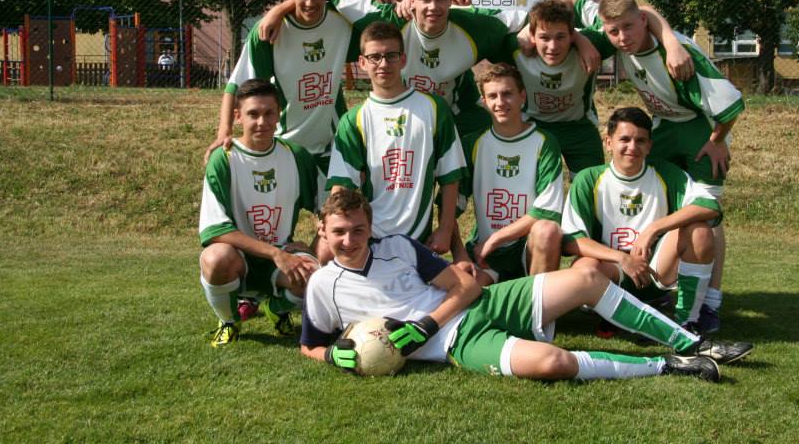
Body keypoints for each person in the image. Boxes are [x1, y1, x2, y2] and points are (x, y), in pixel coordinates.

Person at [300, 189, 754, 381]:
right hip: (459, 343)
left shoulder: (398, 246)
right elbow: (310, 345)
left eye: (358, 230)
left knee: (588, 277)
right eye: (339, 232)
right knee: (554, 363)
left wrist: (424, 324)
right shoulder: (323, 286)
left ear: (370, 226)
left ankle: (695, 343)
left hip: (486, 303)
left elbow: (465, 288)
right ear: (322, 231)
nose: (349, 240)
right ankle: (668, 365)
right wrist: (333, 356)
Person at [561, 0, 745, 334]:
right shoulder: (617, 28)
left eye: (628, 28)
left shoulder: (678, 54)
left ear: (643, 21)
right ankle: (654, 288)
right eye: (613, 31)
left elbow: (731, 104)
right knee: (652, 191)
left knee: (704, 215)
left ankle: (708, 303)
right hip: (663, 125)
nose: (621, 37)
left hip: (700, 127)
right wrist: (579, 39)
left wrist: (718, 140)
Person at [204, 0, 400, 211]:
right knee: (275, 221)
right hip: (285, 145)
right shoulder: (268, 32)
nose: (310, 3)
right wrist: (224, 132)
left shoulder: (342, 21)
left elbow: (385, 21)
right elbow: (237, 85)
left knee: (340, 219)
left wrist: (284, 6)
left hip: (331, 145)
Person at [257, 0, 529, 138]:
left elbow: (532, 19)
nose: (432, 7)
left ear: (450, 0)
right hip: (401, 120)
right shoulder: (389, 20)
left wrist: (528, 33)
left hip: (454, 118)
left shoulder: (475, 24)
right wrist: (279, 9)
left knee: (478, 160)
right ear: (412, 0)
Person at [562, 107, 723, 335]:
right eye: (624, 139)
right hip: (613, 271)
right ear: (608, 143)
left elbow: (710, 206)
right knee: (583, 267)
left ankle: (687, 322)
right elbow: (572, 241)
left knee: (700, 231)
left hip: (654, 272)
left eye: (640, 141)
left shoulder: (666, 173)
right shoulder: (589, 179)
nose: (632, 147)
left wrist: (654, 229)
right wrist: (623, 258)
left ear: (649, 146)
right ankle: (614, 315)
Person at [326, 22, 469, 264]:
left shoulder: (434, 108)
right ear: (362, 63)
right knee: (323, 253)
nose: (383, 64)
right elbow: (341, 186)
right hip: (371, 239)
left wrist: (445, 229)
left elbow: (450, 176)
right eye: (375, 57)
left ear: (403, 59)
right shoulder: (354, 119)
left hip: (420, 241)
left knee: (456, 286)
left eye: (391, 56)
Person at [198, 79, 320, 347]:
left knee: (314, 275)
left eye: (269, 113)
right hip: (239, 257)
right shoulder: (224, 159)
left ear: (279, 115)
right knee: (215, 258)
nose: (262, 122)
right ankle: (229, 321)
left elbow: (327, 209)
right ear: (238, 116)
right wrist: (276, 253)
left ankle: (275, 309)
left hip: (280, 254)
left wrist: (311, 246)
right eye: (253, 114)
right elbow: (215, 230)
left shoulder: (296, 156)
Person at [459, 63, 564, 286]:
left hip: (527, 247)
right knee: (464, 294)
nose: (500, 102)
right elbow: (452, 204)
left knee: (548, 230)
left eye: (507, 94)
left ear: (522, 96)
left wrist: (497, 238)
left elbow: (547, 211)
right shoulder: (473, 143)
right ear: (484, 101)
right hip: (486, 252)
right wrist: (459, 253)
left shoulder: (545, 142)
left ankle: (538, 306)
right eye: (492, 96)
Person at [494, 0, 607, 176]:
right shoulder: (515, 46)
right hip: (533, 126)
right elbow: (482, 25)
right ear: (531, 36)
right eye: (544, 37)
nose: (552, 47)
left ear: (572, 35)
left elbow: (618, 20)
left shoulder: (592, 44)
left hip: (579, 129)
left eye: (561, 37)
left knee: (590, 185)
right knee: (528, 186)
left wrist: (582, 39)